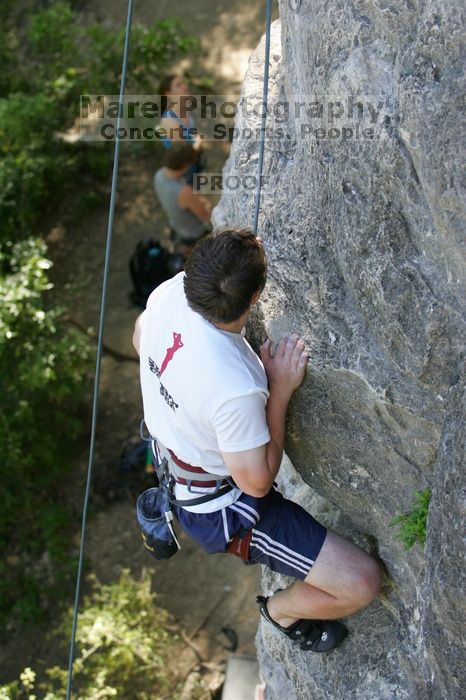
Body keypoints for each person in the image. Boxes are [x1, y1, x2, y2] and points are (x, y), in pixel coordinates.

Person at [133, 227, 381, 653]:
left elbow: (140, 336)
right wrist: (279, 389)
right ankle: (281, 612)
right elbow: (256, 483)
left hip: (172, 455)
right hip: (216, 505)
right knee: (361, 583)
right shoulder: (235, 384)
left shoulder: (171, 293)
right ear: (253, 300)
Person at [154, 144, 211, 257]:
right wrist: (206, 203)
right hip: (194, 232)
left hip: (176, 225)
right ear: (186, 166)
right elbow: (205, 215)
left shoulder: (159, 175)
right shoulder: (184, 192)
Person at [158, 74, 204, 183]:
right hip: (183, 176)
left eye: (183, 83)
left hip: (194, 164)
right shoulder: (169, 122)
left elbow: (192, 133)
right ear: (168, 94)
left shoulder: (184, 110)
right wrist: (198, 142)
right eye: (179, 85)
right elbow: (182, 158)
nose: (185, 86)